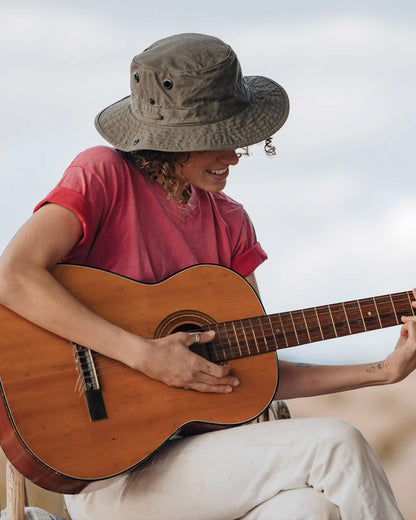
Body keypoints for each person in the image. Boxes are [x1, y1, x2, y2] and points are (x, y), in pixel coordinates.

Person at [0, 32, 415, 520]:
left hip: (203, 461)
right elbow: (14, 277)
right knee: (338, 443)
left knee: (309, 510)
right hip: (108, 471)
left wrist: (381, 373)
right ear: (171, 141)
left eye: (236, 137)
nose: (236, 154)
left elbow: (256, 370)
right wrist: (144, 356)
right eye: (217, 140)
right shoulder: (103, 176)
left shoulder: (230, 223)